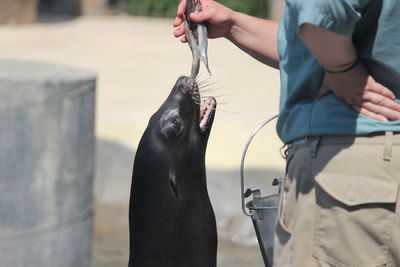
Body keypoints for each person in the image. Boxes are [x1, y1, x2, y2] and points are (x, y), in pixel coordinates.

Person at [174, 0, 400, 266]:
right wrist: (233, 25)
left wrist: (342, 71)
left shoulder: (331, 48)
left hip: (351, 166)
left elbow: (318, 14)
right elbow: (310, 48)